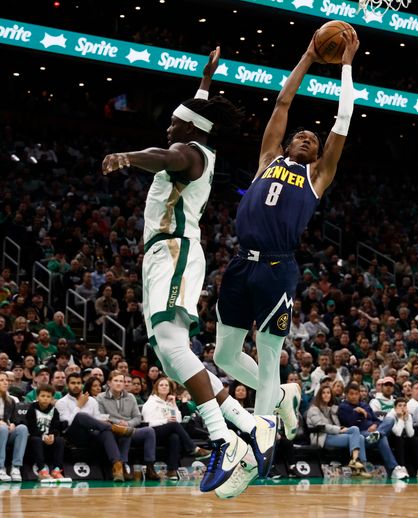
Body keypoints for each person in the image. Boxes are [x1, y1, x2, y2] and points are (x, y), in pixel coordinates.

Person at [101, 47, 272, 496]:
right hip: (165, 254)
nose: (169, 125)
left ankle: (222, 440)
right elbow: (189, 121)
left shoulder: (188, 152)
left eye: (175, 122)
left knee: (174, 347)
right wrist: (205, 80)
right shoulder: (198, 140)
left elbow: (166, 155)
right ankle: (246, 425)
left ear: (190, 129)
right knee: (170, 359)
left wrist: (127, 156)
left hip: (173, 250)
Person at [213, 28, 360, 463]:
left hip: (278, 268)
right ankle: (283, 394)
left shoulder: (317, 177)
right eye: (302, 135)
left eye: (314, 140)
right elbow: (282, 102)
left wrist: (347, 64)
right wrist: (309, 56)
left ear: (318, 155)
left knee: (268, 351)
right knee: (224, 353)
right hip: (241, 264)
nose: (308, 137)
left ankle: (261, 442)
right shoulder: (267, 160)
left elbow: (343, 121)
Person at [55, 372, 132, 481]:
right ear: (67, 385)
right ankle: (115, 428)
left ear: (82, 384)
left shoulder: (92, 400)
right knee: (81, 415)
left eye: (78, 383)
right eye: (73, 383)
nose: (76, 385)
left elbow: (97, 420)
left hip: (91, 435)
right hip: (72, 436)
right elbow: (67, 423)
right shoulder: (61, 402)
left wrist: (105, 422)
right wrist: (79, 406)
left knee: (106, 432)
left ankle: (117, 467)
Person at [138, 377, 211, 480]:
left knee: (175, 437)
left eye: (166, 385)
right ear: (156, 388)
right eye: (161, 385)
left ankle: (172, 470)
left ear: (169, 389)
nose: (164, 387)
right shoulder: (151, 402)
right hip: (152, 432)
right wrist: (165, 421)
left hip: (167, 432)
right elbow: (148, 423)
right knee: (173, 425)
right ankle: (193, 448)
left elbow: (179, 420)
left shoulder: (169, 402)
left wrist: (173, 405)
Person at [96, 371, 161, 480]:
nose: (119, 383)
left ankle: (150, 467)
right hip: (111, 431)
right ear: (109, 383)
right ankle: (123, 467)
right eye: (116, 381)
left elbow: (137, 417)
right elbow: (101, 417)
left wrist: (128, 423)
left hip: (128, 428)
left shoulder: (130, 397)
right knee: (125, 432)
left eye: (121, 381)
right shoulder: (100, 397)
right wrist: (118, 422)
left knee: (149, 431)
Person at [337, 382, 407, 479]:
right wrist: (361, 413)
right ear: (346, 395)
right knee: (382, 438)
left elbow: (377, 421)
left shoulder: (364, 405)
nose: (354, 396)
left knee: (389, 420)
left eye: (356, 394)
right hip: (360, 435)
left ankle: (377, 434)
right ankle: (394, 468)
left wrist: (374, 425)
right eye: (351, 394)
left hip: (372, 433)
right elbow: (351, 424)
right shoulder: (343, 407)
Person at [305, 383, 371, 477]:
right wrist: (339, 429)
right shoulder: (313, 410)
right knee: (356, 433)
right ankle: (358, 465)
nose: (326, 395)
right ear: (319, 395)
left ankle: (358, 463)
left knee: (359, 435)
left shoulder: (333, 409)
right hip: (322, 437)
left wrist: (341, 428)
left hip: (334, 434)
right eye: (323, 393)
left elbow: (341, 420)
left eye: (328, 393)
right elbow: (322, 426)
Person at [25, 384, 66, 480]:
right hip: (36, 437)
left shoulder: (54, 411)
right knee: (36, 439)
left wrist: (52, 435)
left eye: (48, 397)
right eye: (42, 396)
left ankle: (56, 470)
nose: (45, 399)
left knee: (60, 440)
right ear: (37, 397)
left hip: (48, 438)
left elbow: (55, 427)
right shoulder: (32, 409)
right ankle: (42, 470)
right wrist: (43, 436)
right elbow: (31, 428)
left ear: (52, 398)